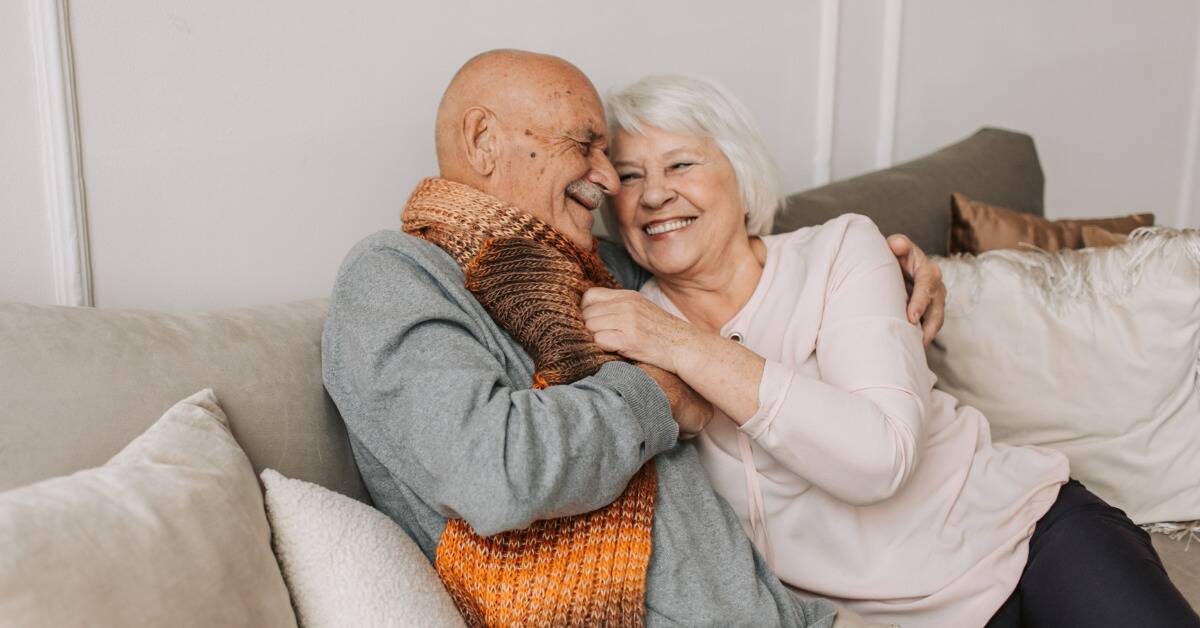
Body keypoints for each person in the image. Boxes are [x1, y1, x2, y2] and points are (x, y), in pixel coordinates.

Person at [323, 49, 942, 626]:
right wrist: (659, 393)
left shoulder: (603, 269)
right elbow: (492, 472)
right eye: (588, 147)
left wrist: (899, 273)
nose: (611, 183)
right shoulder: (396, 275)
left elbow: (730, 262)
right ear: (484, 141)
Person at [581, 73, 1200, 628]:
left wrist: (686, 347)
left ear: (742, 178)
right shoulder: (626, 319)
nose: (653, 195)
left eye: (680, 164)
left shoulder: (840, 251)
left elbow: (878, 459)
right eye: (630, 176)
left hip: (1028, 539)